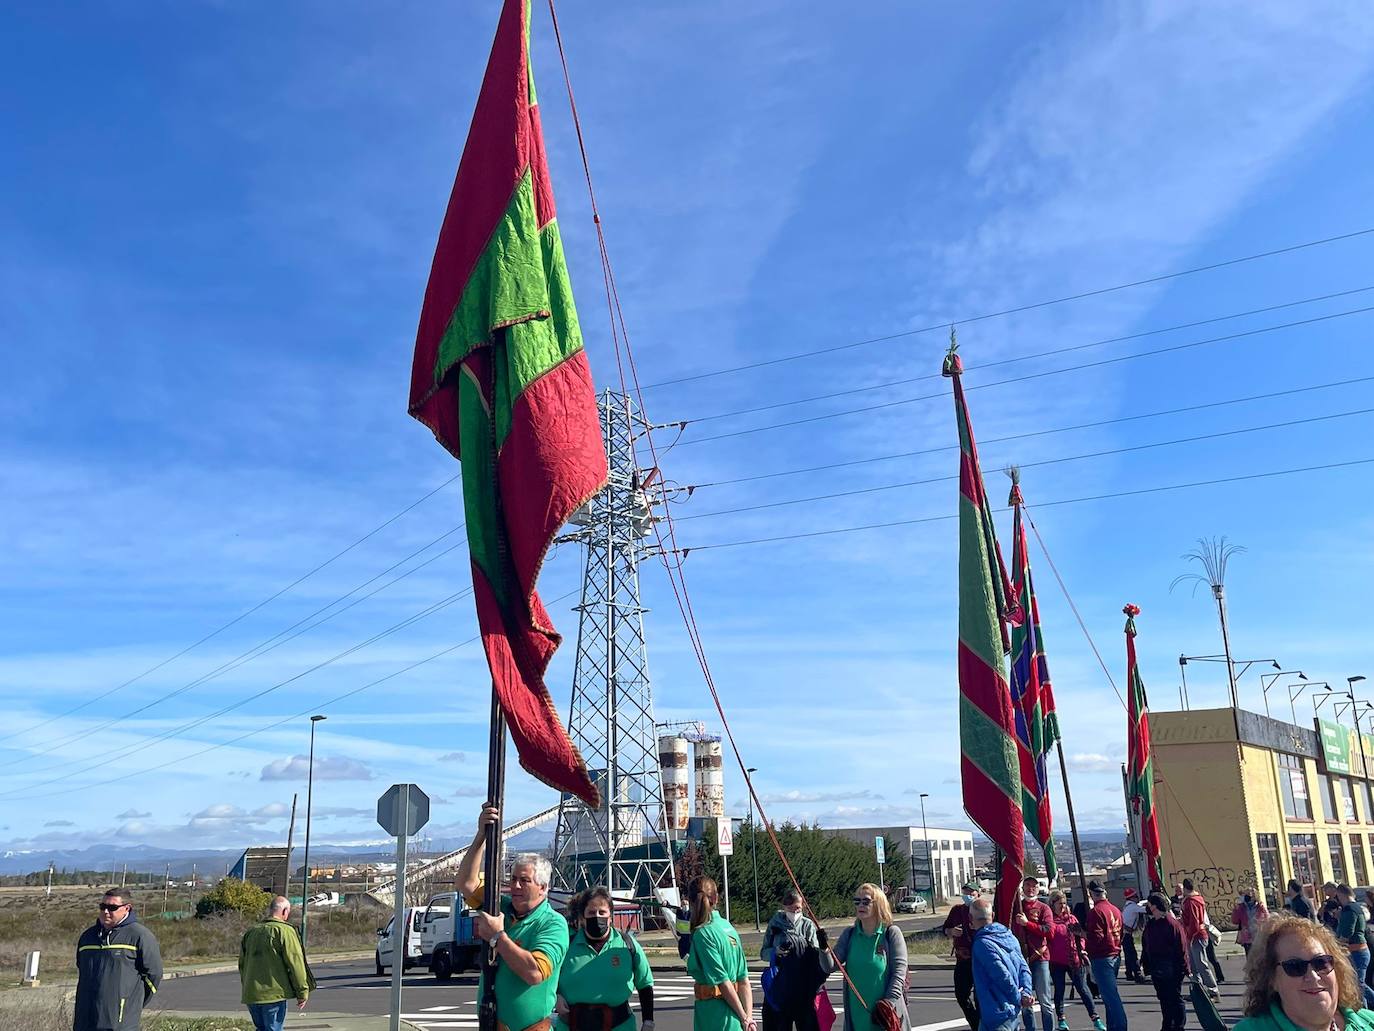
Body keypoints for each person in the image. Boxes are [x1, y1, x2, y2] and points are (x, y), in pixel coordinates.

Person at [458, 806, 570, 1031]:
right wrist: (481, 835)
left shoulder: (553, 924)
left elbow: (535, 972)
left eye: (524, 881)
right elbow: (466, 885)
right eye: (513, 879)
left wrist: (498, 937)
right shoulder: (503, 908)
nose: (515, 886)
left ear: (543, 887)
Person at [1232, 911, 1374, 1031]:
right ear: (1272, 979)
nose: (1313, 976)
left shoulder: (1369, 1022)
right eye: (1295, 966)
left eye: (1321, 962)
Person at [555, 886, 655, 1031]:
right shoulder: (566, 945)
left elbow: (645, 984)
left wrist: (648, 1021)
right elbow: (546, 978)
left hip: (619, 1025)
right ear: (582, 917)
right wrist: (556, 996)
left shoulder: (627, 945)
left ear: (610, 916)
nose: (597, 916)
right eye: (591, 912)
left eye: (602, 912)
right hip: (572, 1025)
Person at [74, 889, 163, 1031]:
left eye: (112, 908)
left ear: (127, 908)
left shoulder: (140, 936)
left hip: (120, 1023)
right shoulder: (87, 937)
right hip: (85, 1021)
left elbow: (154, 974)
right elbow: (81, 969)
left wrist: (130, 1004)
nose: (106, 911)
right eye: (102, 907)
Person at [826, 884, 910, 1031]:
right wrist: (824, 949)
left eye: (866, 901)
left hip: (885, 1015)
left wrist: (887, 1005)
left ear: (879, 904)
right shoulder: (850, 934)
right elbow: (830, 965)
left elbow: (899, 975)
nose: (860, 905)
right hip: (857, 1015)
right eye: (857, 901)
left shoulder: (891, 933)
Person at [684, 876, 754, 1031]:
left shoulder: (703, 934)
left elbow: (722, 981)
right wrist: (748, 1018)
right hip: (735, 1015)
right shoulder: (727, 926)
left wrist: (744, 1018)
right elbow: (743, 979)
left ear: (690, 900)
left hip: (715, 1015)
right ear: (715, 898)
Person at [238, 896, 311, 1031]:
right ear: (284, 911)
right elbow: (295, 963)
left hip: (252, 993)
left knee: (261, 1028)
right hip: (273, 993)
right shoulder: (284, 931)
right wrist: (302, 991)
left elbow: (242, 964)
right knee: (273, 1028)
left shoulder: (251, 932)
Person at [760, 888, 828, 1031]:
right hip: (780, 986)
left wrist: (816, 948)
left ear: (802, 905)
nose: (794, 912)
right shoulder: (775, 924)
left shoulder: (807, 925)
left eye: (797, 908)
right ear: (784, 907)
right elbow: (763, 953)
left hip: (804, 987)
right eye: (790, 908)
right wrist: (776, 952)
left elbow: (816, 956)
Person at [969, 897, 1035, 1031]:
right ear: (992, 915)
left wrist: (1018, 998)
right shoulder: (1009, 936)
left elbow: (1001, 975)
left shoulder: (982, 944)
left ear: (970, 918)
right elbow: (1024, 968)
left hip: (996, 1011)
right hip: (1010, 1012)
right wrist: (1026, 993)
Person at [1046, 890, 1104, 1031]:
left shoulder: (1072, 919)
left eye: (1065, 903)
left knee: (1083, 989)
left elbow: (1081, 937)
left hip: (1074, 960)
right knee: (1059, 990)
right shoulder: (1050, 921)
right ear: (1053, 904)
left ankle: (1095, 1019)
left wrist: (1082, 949)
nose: (1063, 906)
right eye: (1060, 904)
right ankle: (1061, 1020)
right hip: (1057, 961)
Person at [1141, 892, 1190, 1031]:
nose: (1148, 908)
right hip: (1157, 969)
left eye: (1150, 905)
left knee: (1175, 998)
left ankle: (1179, 1025)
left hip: (1172, 968)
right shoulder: (1151, 924)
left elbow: (1182, 947)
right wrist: (1145, 965)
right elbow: (1146, 945)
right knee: (1163, 999)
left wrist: (1185, 968)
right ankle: (1168, 1024)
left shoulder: (1172, 924)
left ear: (1155, 906)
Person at [1083, 881, 1126, 1031]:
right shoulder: (1115, 909)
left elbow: (1096, 938)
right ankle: (1113, 1026)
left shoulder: (1096, 912)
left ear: (1091, 893)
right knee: (1109, 997)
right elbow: (1121, 933)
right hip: (1115, 953)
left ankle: (1120, 1027)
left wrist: (1082, 934)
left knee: (1111, 997)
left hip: (1102, 957)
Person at [1013, 877, 1054, 1031]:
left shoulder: (1044, 908)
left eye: (1034, 886)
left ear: (1038, 888)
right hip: (1022, 959)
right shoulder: (1017, 908)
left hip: (1040, 958)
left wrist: (1027, 924)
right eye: (1027, 885)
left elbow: (1049, 931)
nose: (1031, 888)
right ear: (1023, 888)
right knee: (1026, 1000)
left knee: (1044, 1000)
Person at [942, 882, 982, 1031]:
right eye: (965, 893)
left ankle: (983, 1025)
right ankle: (975, 1024)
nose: (968, 896)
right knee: (961, 995)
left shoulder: (983, 909)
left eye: (971, 893)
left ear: (978, 894)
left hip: (980, 960)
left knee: (981, 997)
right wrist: (951, 931)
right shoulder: (957, 910)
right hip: (963, 960)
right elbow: (944, 929)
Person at [1333, 884, 1374, 1008]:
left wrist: (1336, 947)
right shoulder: (1358, 907)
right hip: (1361, 950)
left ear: (1341, 894)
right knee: (1360, 983)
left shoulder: (1349, 909)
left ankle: (1365, 1013)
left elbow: (1347, 933)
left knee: (1358, 985)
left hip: (1356, 951)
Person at [1180, 878, 1219, 1001]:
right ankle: (1197, 991)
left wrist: (1190, 936)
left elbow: (1194, 922)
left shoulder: (1192, 902)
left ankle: (1213, 991)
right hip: (1194, 935)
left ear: (1186, 888)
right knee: (1193, 965)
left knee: (1201, 964)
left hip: (1196, 936)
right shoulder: (1194, 899)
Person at [1120, 889, 1148, 984]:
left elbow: (1140, 904)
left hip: (1124, 934)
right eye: (1135, 896)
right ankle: (1138, 974)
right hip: (1126, 934)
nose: (1137, 897)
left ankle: (1129, 973)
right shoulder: (1132, 907)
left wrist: (1146, 901)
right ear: (1132, 898)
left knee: (1128, 954)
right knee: (1132, 954)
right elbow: (1145, 910)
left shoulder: (1129, 906)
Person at [1232, 887, 1270, 956]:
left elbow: (1268, 919)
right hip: (1247, 938)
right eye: (1245, 895)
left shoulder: (1260, 906)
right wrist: (1236, 910)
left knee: (1261, 958)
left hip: (1259, 937)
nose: (1246, 897)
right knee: (1250, 959)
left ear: (1254, 896)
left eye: (1248, 895)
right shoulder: (1241, 907)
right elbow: (1235, 921)